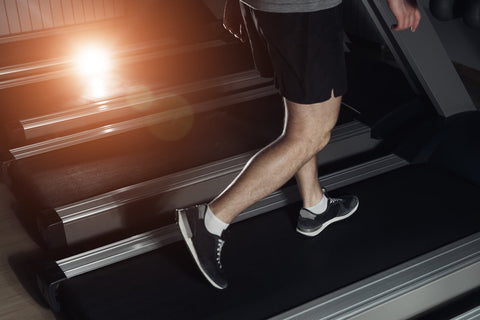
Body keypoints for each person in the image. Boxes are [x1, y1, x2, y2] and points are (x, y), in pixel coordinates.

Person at [176, 0, 421, 290]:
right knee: (313, 134)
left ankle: (314, 207)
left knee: (302, 118)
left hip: (270, 8)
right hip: (305, 12)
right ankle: (209, 221)